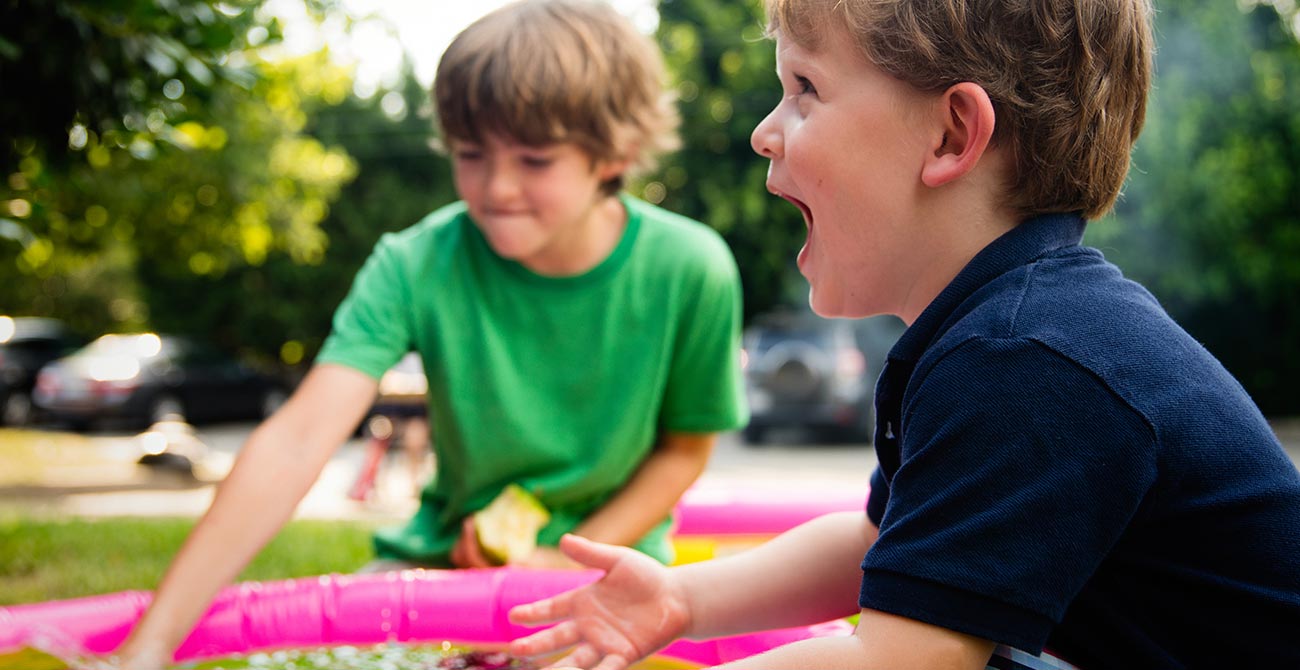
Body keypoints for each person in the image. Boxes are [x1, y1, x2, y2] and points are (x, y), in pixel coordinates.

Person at [506, 0, 1300, 668]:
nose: (763, 131)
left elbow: (895, 660)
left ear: (953, 136)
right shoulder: (1003, 330)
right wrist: (683, 599)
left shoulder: (1028, 361)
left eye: (804, 88)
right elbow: (877, 542)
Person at [110, 0, 747, 666]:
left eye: (534, 160)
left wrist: (562, 557)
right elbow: (298, 439)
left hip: (612, 580)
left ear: (617, 151)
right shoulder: (414, 262)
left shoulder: (690, 267)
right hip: (440, 573)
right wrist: (151, 646)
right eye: (471, 155)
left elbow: (684, 449)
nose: (496, 187)